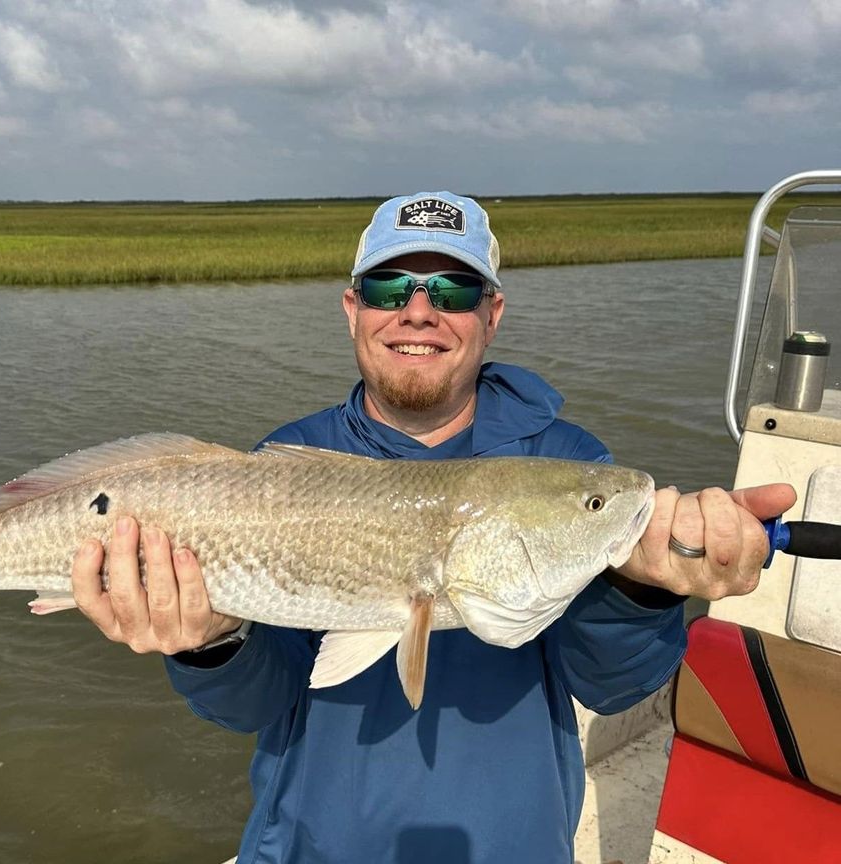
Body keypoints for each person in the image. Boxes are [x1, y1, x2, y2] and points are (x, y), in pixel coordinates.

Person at [70, 192, 796, 863]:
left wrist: (646, 592)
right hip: (311, 845)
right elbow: (256, 705)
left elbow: (611, 687)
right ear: (353, 308)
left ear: (493, 314)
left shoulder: (566, 462)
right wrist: (207, 643)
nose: (419, 311)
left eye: (452, 290)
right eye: (391, 288)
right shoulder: (282, 465)